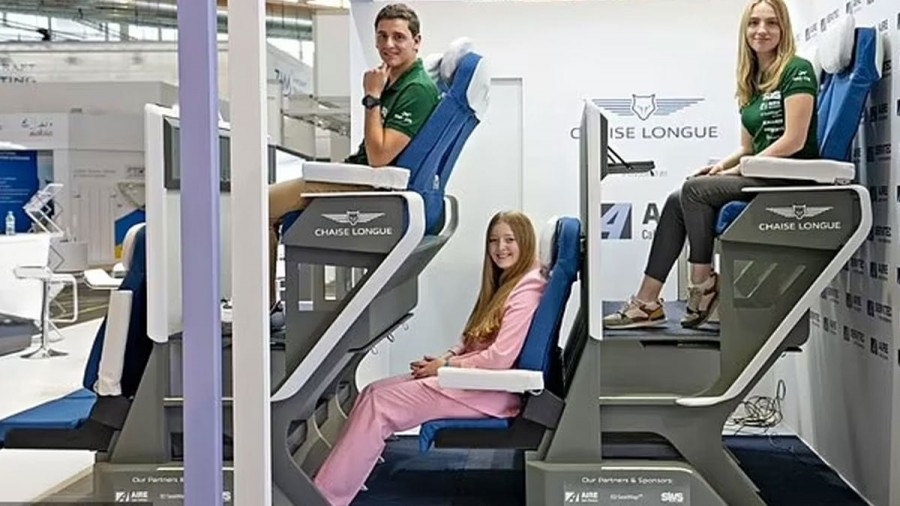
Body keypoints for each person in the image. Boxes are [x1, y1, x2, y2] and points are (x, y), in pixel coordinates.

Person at [603, 0, 819, 330]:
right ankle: (647, 302)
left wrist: (740, 169)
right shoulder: (752, 79)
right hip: (760, 173)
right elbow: (747, 146)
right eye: (754, 22)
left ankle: (703, 286)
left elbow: (794, 140)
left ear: (784, 29)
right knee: (677, 199)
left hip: (787, 178)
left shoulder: (797, 69)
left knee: (694, 192)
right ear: (745, 30)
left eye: (771, 23)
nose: (761, 30)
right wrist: (721, 167)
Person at [312, 211, 547, 506]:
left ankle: (325, 499)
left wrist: (446, 367)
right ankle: (347, 474)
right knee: (372, 391)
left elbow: (499, 359)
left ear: (525, 241)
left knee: (378, 405)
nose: (501, 248)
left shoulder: (526, 290)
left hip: (488, 392)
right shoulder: (507, 283)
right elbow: (473, 339)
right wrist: (445, 358)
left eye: (509, 240)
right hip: (474, 382)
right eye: (494, 240)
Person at [266, 3, 441, 323]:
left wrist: (371, 97)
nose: (388, 44)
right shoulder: (393, 80)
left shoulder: (416, 89)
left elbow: (379, 157)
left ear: (416, 41)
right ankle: (268, 305)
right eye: (382, 36)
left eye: (398, 37)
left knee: (261, 206)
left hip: (370, 183)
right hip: (361, 174)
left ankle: (262, 308)